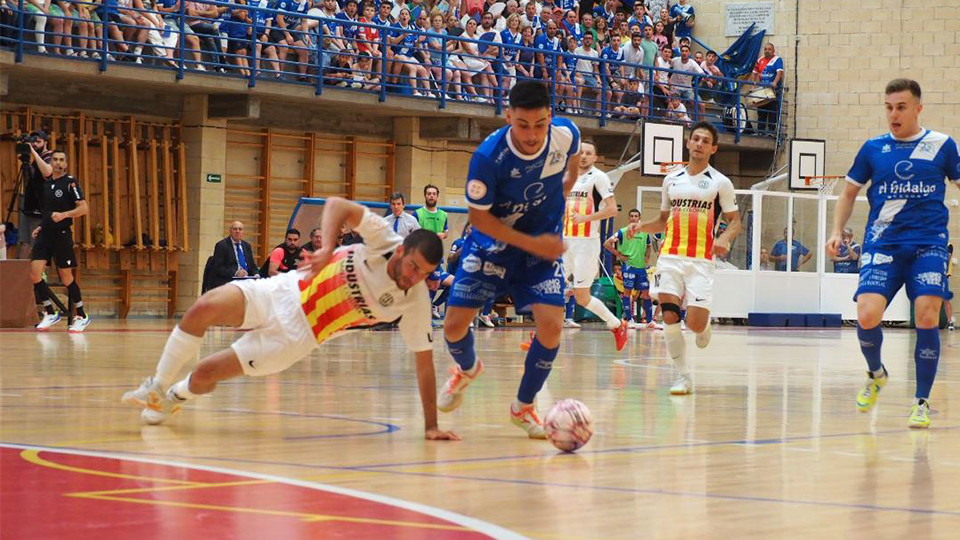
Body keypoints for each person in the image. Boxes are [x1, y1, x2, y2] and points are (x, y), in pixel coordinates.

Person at [121, 197, 459, 440]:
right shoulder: (385, 239)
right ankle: (157, 385)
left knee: (205, 372)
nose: (415, 277)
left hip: (297, 337)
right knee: (203, 307)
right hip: (284, 290)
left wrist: (430, 424)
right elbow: (337, 204)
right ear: (401, 251)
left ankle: (175, 396)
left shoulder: (414, 300)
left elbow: (424, 363)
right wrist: (327, 247)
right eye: (414, 266)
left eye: (425, 273)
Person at [437, 81, 581, 438]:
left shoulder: (566, 135)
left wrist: (565, 188)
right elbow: (480, 218)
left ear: (550, 116)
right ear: (507, 117)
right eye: (522, 124)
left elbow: (573, 162)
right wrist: (532, 244)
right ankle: (467, 368)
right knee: (454, 326)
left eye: (540, 124)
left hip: (541, 251)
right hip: (491, 245)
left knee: (551, 324)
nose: (532, 135)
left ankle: (524, 406)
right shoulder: (488, 158)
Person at [827, 78, 960, 429]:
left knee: (927, 316)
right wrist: (836, 230)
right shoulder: (873, 149)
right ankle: (876, 373)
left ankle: (921, 401)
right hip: (883, 245)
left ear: (918, 108)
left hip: (928, 244)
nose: (893, 114)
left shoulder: (943, 145)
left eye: (901, 107)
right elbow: (848, 194)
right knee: (867, 314)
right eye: (888, 107)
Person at [631, 121, 741, 394]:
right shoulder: (671, 180)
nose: (700, 144)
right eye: (696, 139)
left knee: (694, 323)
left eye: (706, 141)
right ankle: (682, 376)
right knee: (669, 316)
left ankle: (703, 327)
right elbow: (663, 220)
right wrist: (641, 227)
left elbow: (735, 221)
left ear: (713, 148)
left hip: (701, 261)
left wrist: (724, 239)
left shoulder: (720, 182)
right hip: (669, 257)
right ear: (688, 143)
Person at [561, 140, 627, 344]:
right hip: (564, 242)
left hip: (586, 244)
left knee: (582, 297)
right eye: (580, 152)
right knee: (549, 286)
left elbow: (612, 209)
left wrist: (585, 219)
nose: (583, 156)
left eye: (588, 153)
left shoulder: (599, 178)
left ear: (595, 157)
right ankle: (540, 339)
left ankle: (616, 324)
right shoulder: (567, 176)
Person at [31, 150, 91, 332]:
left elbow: (84, 208)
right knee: (34, 274)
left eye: (61, 160)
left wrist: (64, 215)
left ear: (66, 164)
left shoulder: (70, 183)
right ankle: (50, 312)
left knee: (66, 278)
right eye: (55, 160)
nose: (58, 163)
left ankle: (82, 314)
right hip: (45, 234)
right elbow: (49, 210)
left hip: (62, 235)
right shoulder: (48, 185)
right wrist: (42, 226)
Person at [605, 208, 653, 329]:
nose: (633, 218)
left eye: (636, 216)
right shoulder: (622, 232)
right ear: (629, 218)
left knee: (646, 294)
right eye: (631, 216)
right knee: (627, 293)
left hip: (641, 268)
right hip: (629, 267)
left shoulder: (645, 233)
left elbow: (649, 246)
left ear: (639, 218)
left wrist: (647, 257)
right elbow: (606, 243)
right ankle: (629, 319)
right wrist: (619, 255)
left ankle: (650, 321)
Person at [18, 130, 53, 260]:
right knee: (25, 242)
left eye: (38, 142)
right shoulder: (34, 160)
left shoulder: (50, 156)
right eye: (33, 142)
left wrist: (32, 152)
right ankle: (20, 276)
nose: (35, 145)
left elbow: (47, 173)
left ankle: (38, 275)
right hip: (29, 204)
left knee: (36, 243)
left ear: (45, 143)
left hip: (40, 207)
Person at [210, 221, 258, 289]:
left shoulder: (246, 246)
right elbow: (218, 268)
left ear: (243, 232)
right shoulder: (222, 245)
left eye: (240, 229)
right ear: (230, 231)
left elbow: (252, 265)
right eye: (235, 229)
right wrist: (236, 273)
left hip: (246, 281)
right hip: (229, 281)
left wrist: (256, 274)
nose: (237, 231)